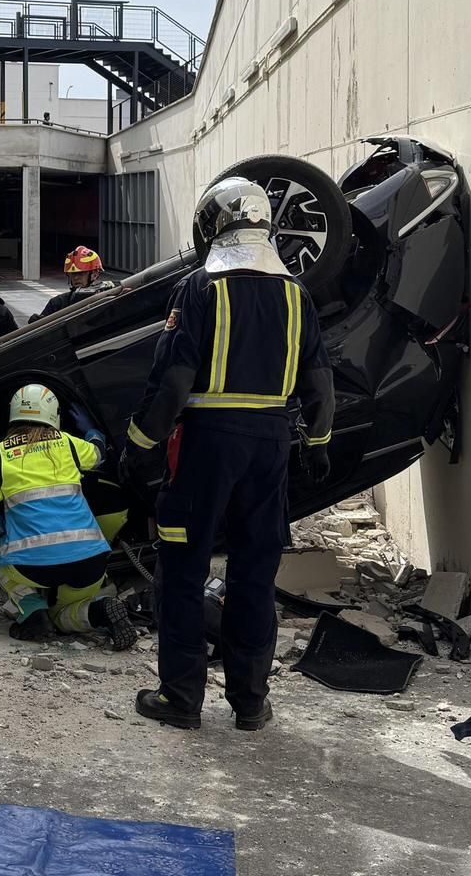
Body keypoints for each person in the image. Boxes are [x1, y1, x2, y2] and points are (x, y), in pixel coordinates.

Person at [124, 177, 334, 732]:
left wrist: (140, 446)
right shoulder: (297, 294)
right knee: (254, 574)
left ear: (214, 225)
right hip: (270, 445)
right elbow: (320, 384)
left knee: (184, 571)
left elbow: (171, 383)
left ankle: (181, 698)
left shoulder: (200, 290)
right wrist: (316, 442)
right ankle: (250, 702)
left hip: (205, 444)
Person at [0, 385, 138, 650]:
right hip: (91, 559)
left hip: (35, 565)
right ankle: (100, 611)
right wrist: (92, 430)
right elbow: (99, 453)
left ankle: (32, 611)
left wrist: (3, 529)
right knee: (65, 614)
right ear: (53, 414)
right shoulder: (68, 443)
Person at [33, 245, 115, 321]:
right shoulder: (57, 303)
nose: (76, 277)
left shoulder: (107, 298)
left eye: (81, 273)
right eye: (73, 274)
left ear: (95, 274)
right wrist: (36, 322)